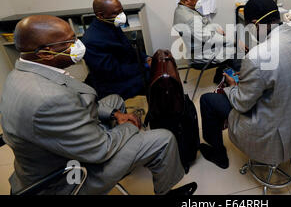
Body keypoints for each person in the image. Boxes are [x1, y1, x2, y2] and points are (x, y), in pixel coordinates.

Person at [0, 15, 197, 195]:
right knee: (163, 139)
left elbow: (74, 101)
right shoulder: (49, 99)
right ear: (45, 53)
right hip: (70, 174)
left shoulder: (18, 74)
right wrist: (130, 126)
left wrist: (114, 114)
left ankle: (126, 156)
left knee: (115, 101)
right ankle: (166, 193)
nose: (78, 45)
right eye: (70, 42)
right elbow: (99, 149)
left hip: (59, 149)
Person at [199, 0, 291, 169]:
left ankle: (218, 155)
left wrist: (233, 86)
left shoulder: (257, 56)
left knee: (208, 100)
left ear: (255, 23)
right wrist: (253, 75)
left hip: (270, 131)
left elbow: (241, 103)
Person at [82, 0, 151, 100]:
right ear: (101, 15)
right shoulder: (92, 41)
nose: (121, 15)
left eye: (121, 11)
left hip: (125, 70)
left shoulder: (111, 24)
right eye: (116, 13)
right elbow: (112, 73)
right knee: (155, 78)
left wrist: (146, 58)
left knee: (160, 66)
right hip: (112, 83)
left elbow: (128, 49)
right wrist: (145, 65)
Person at [173, 0, 240, 83]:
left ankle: (220, 76)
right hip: (202, 56)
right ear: (187, 0)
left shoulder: (180, 10)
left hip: (196, 49)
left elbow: (202, 27)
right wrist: (234, 42)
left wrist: (216, 28)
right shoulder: (191, 18)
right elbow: (209, 39)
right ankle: (236, 83)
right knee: (238, 52)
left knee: (227, 43)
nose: (199, 0)